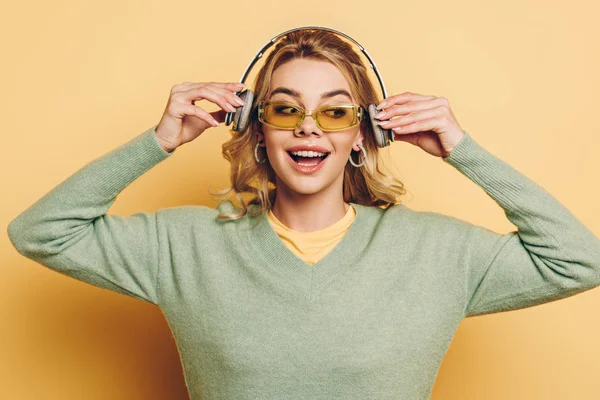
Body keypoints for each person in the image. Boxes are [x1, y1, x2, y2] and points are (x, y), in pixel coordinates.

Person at [7, 28, 600, 400]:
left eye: (337, 112)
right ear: (255, 130)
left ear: (364, 135)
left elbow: (579, 260)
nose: (310, 127)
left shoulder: (438, 253)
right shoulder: (184, 244)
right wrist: (158, 141)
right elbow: (41, 233)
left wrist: (462, 151)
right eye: (286, 109)